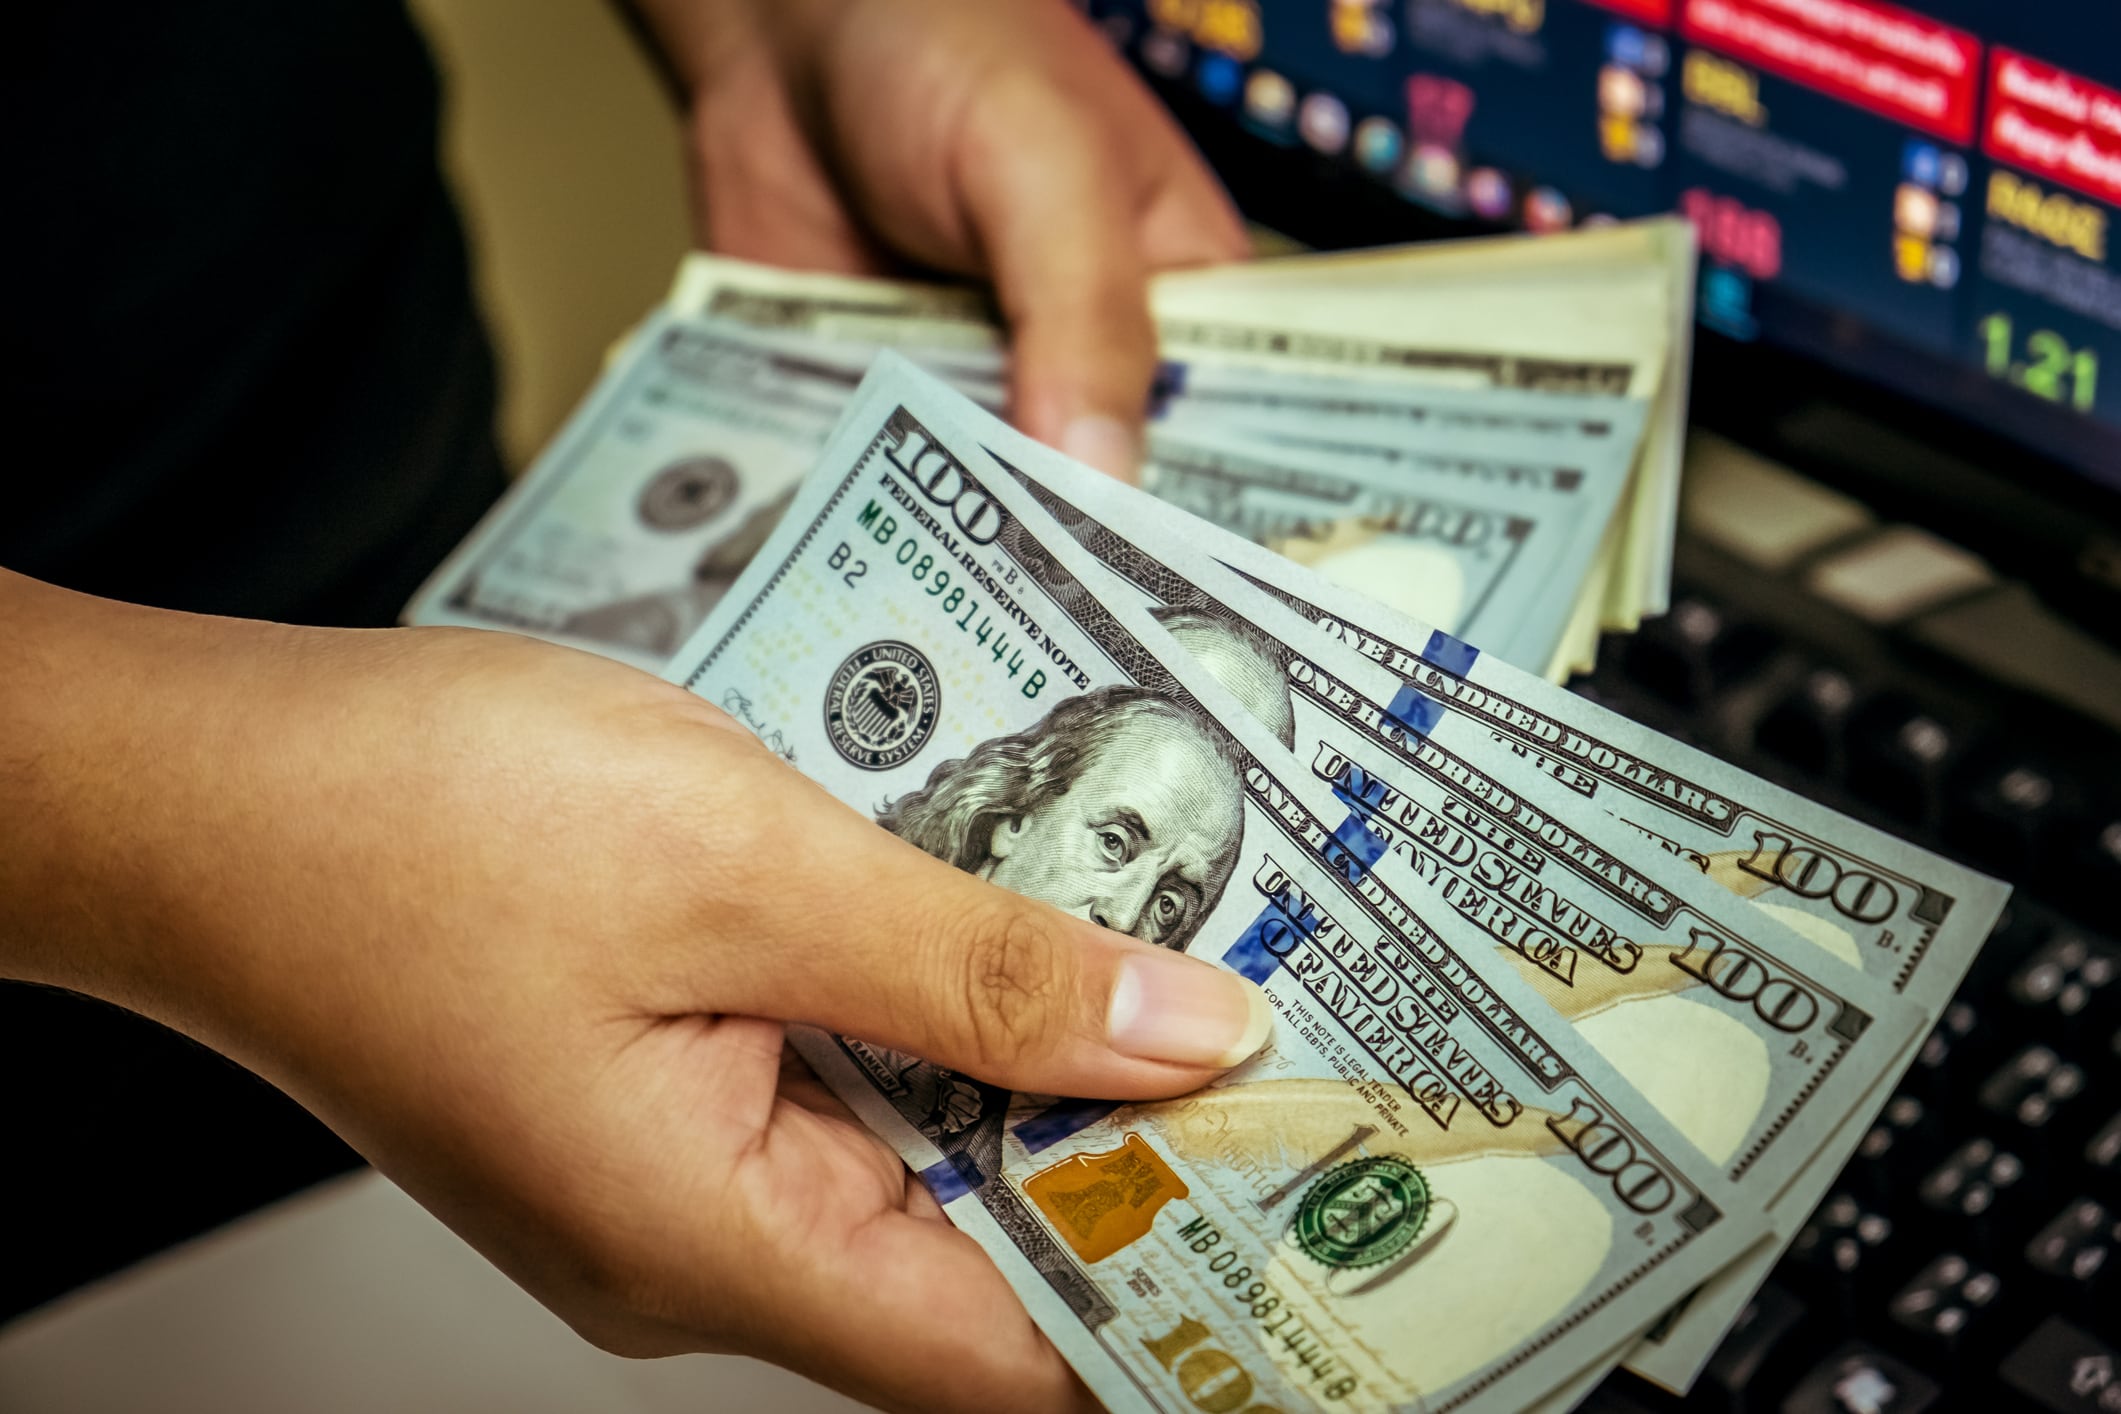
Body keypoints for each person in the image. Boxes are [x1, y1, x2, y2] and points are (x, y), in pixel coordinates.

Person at [0, 3, 1259, 1411]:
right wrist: (139, 796)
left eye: (1177, 887)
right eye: (1120, 839)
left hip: (383, 559)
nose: (1140, 913)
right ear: (1021, 795)